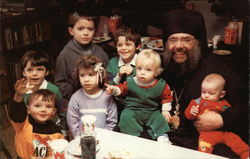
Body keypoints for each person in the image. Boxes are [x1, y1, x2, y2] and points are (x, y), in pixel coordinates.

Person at [160, 9, 248, 158]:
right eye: (173, 40)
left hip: (204, 141)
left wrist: (223, 119)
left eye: (186, 39)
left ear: (198, 42)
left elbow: (246, 104)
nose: (179, 46)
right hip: (167, 138)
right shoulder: (162, 67)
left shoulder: (219, 68)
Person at [106, 49, 173, 143]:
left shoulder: (161, 85)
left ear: (156, 72)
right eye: (139, 68)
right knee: (126, 117)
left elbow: (167, 96)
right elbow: (122, 89)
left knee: (160, 119)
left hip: (152, 110)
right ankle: (132, 137)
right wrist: (114, 90)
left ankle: (162, 136)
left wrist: (165, 110)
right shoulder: (131, 81)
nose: (142, 72)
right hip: (133, 109)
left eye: (148, 70)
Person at [184, 73, 249, 159]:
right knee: (203, 148)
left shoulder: (224, 103)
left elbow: (230, 115)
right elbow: (188, 115)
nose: (206, 95)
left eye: (211, 93)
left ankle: (246, 155)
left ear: (221, 94)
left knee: (236, 141)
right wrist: (192, 112)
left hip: (223, 132)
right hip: (207, 134)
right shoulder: (198, 102)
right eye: (203, 92)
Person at [54, 12, 109, 101]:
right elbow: (61, 84)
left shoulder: (100, 52)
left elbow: (108, 75)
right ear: (71, 31)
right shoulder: (65, 55)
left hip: (101, 98)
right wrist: (79, 96)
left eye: (90, 29)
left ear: (94, 31)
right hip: (79, 101)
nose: (86, 33)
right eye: (80, 29)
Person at [19, 50, 68, 137]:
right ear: (23, 72)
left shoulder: (54, 90)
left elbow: (63, 110)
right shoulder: (21, 92)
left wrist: (64, 130)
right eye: (30, 70)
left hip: (53, 129)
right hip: (31, 130)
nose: (35, 73)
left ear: (47, 72)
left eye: (39, 69)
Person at [67, 55, 117, 138]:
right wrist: (79, 138)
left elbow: (112, 121)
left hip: (104, 140)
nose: (86, 79)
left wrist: (106, 137)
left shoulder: (107, 97)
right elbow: (72, 122)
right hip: (82, 140)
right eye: (82, 75)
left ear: (100, 75)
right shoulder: (76, 98)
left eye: (91, 75)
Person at [10, 89, 64, 159]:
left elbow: (59, 151)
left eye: (48, 106)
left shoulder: (56, 131)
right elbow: (16, 113)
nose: (43, 110)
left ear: (53, 112)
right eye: (37, 106)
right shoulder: (23, 124)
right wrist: (18, 96)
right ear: (28, 110)